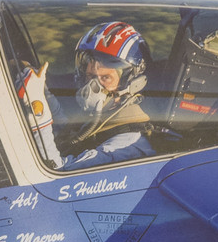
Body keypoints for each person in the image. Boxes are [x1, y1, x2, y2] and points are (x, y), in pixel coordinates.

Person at [17, 20, 155, 171]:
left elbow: (58, 172)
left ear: (131, 83)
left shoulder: (127, 146)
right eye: (90, 76)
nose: (92, 87)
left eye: (106, 78)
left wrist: (38, 110)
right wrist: (42, 91)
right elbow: (69, 134)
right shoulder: (105, 118)